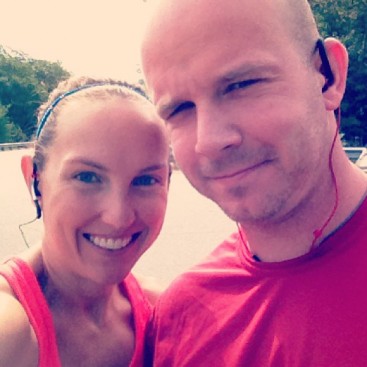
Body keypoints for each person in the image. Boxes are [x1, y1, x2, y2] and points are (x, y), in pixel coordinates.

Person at [140, 0, 367, 365]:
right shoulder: (180, 317)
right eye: (180, 109)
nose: (208, 141)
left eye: (241, 85)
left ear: (329, 77)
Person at [0, 76, 170, 366]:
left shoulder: (161, 314)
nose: (118, 217)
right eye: (87, 177)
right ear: (34, 179)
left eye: (145, 180)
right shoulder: (11, 327)